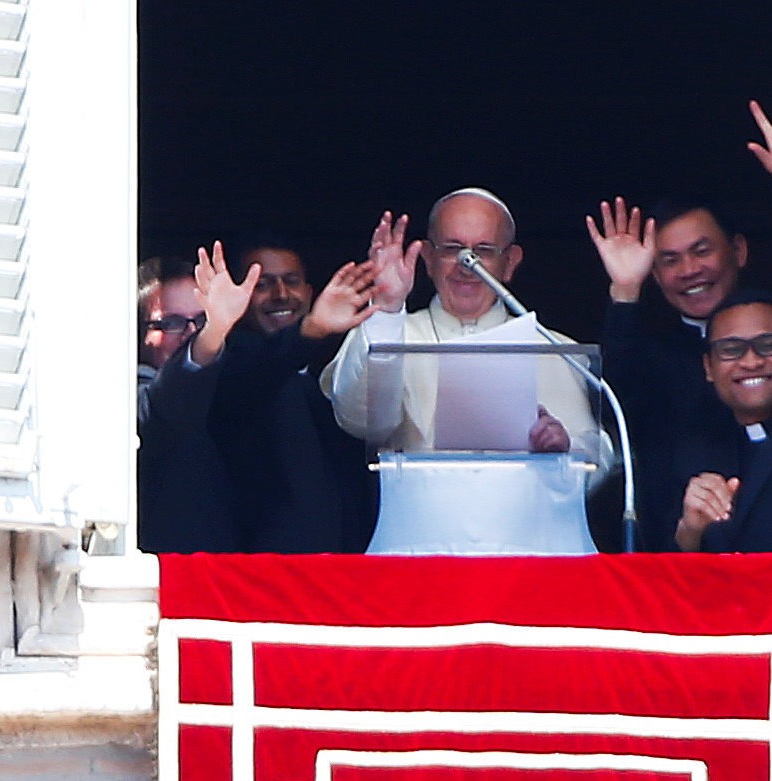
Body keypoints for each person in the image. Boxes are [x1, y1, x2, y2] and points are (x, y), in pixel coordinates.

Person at [586, 85, 772, 551]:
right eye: (669, 260)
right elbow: (618, 401)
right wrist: (625, 292)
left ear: (737, 251)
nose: (690, 271)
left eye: (702, 251)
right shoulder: (656, 358)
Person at [321, 187, 605, 462]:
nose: (467, 264)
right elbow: (358, 419)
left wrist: (565, 447)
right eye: (452, 249)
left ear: (509, 262)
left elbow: (597, 454)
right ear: (429, 260)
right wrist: (386, 308)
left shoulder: (553, 348)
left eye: (484, 250)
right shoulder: (393, 332)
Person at [192, 240, 381, 553]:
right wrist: (310, 330)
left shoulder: (337, 366)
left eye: (291, 281)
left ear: (309, 292)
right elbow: (258, 374)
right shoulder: (225, 368)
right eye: (262, 284)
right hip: (263, 573)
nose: (280, 294)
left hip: (348, 569)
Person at [672, 292, 772, 553]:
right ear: (709, 367)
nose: (751, 361)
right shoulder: (694, 454)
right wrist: (690, 530)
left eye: (769, 345)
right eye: (730, 350)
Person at [135, 256, 238, 553]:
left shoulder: (234, 382)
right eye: (171, 322)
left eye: (203, 320)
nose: (192, 332)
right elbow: (166, 407)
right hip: (166, 585)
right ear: (140, 335)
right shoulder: (132, 398)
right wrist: (211, 335)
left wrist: (313, 328)